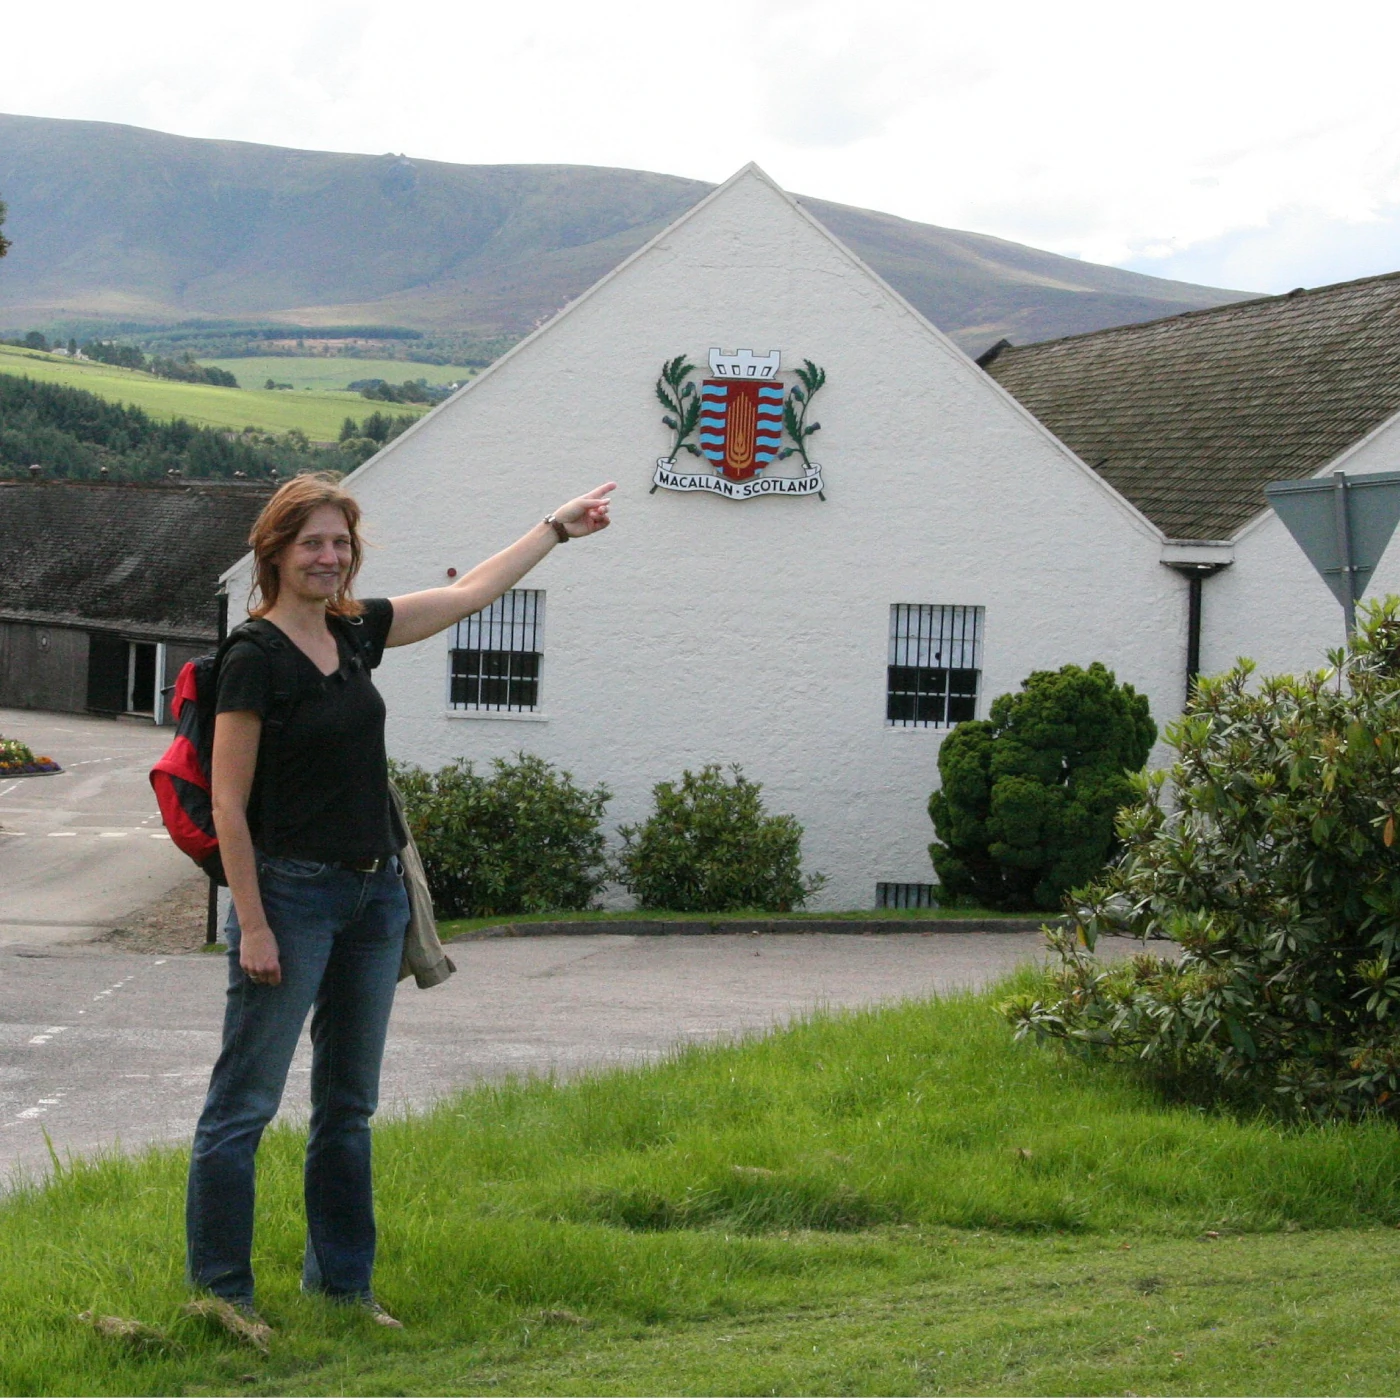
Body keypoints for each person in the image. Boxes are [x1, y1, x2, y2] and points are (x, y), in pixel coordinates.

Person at [186, 471, 615, 1327]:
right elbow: (228, 804)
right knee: (244, 1106)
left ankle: (343, 1288)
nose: (329, 556)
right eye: (312, 542)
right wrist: (256, 927)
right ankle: (224, 1298)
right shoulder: (252, 657)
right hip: (291, 901)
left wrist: (555, 529)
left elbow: (468, 594)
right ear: (275, 551)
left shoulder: (354, 632)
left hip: (373, 899)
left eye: (340, 542)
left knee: (348, 1107)